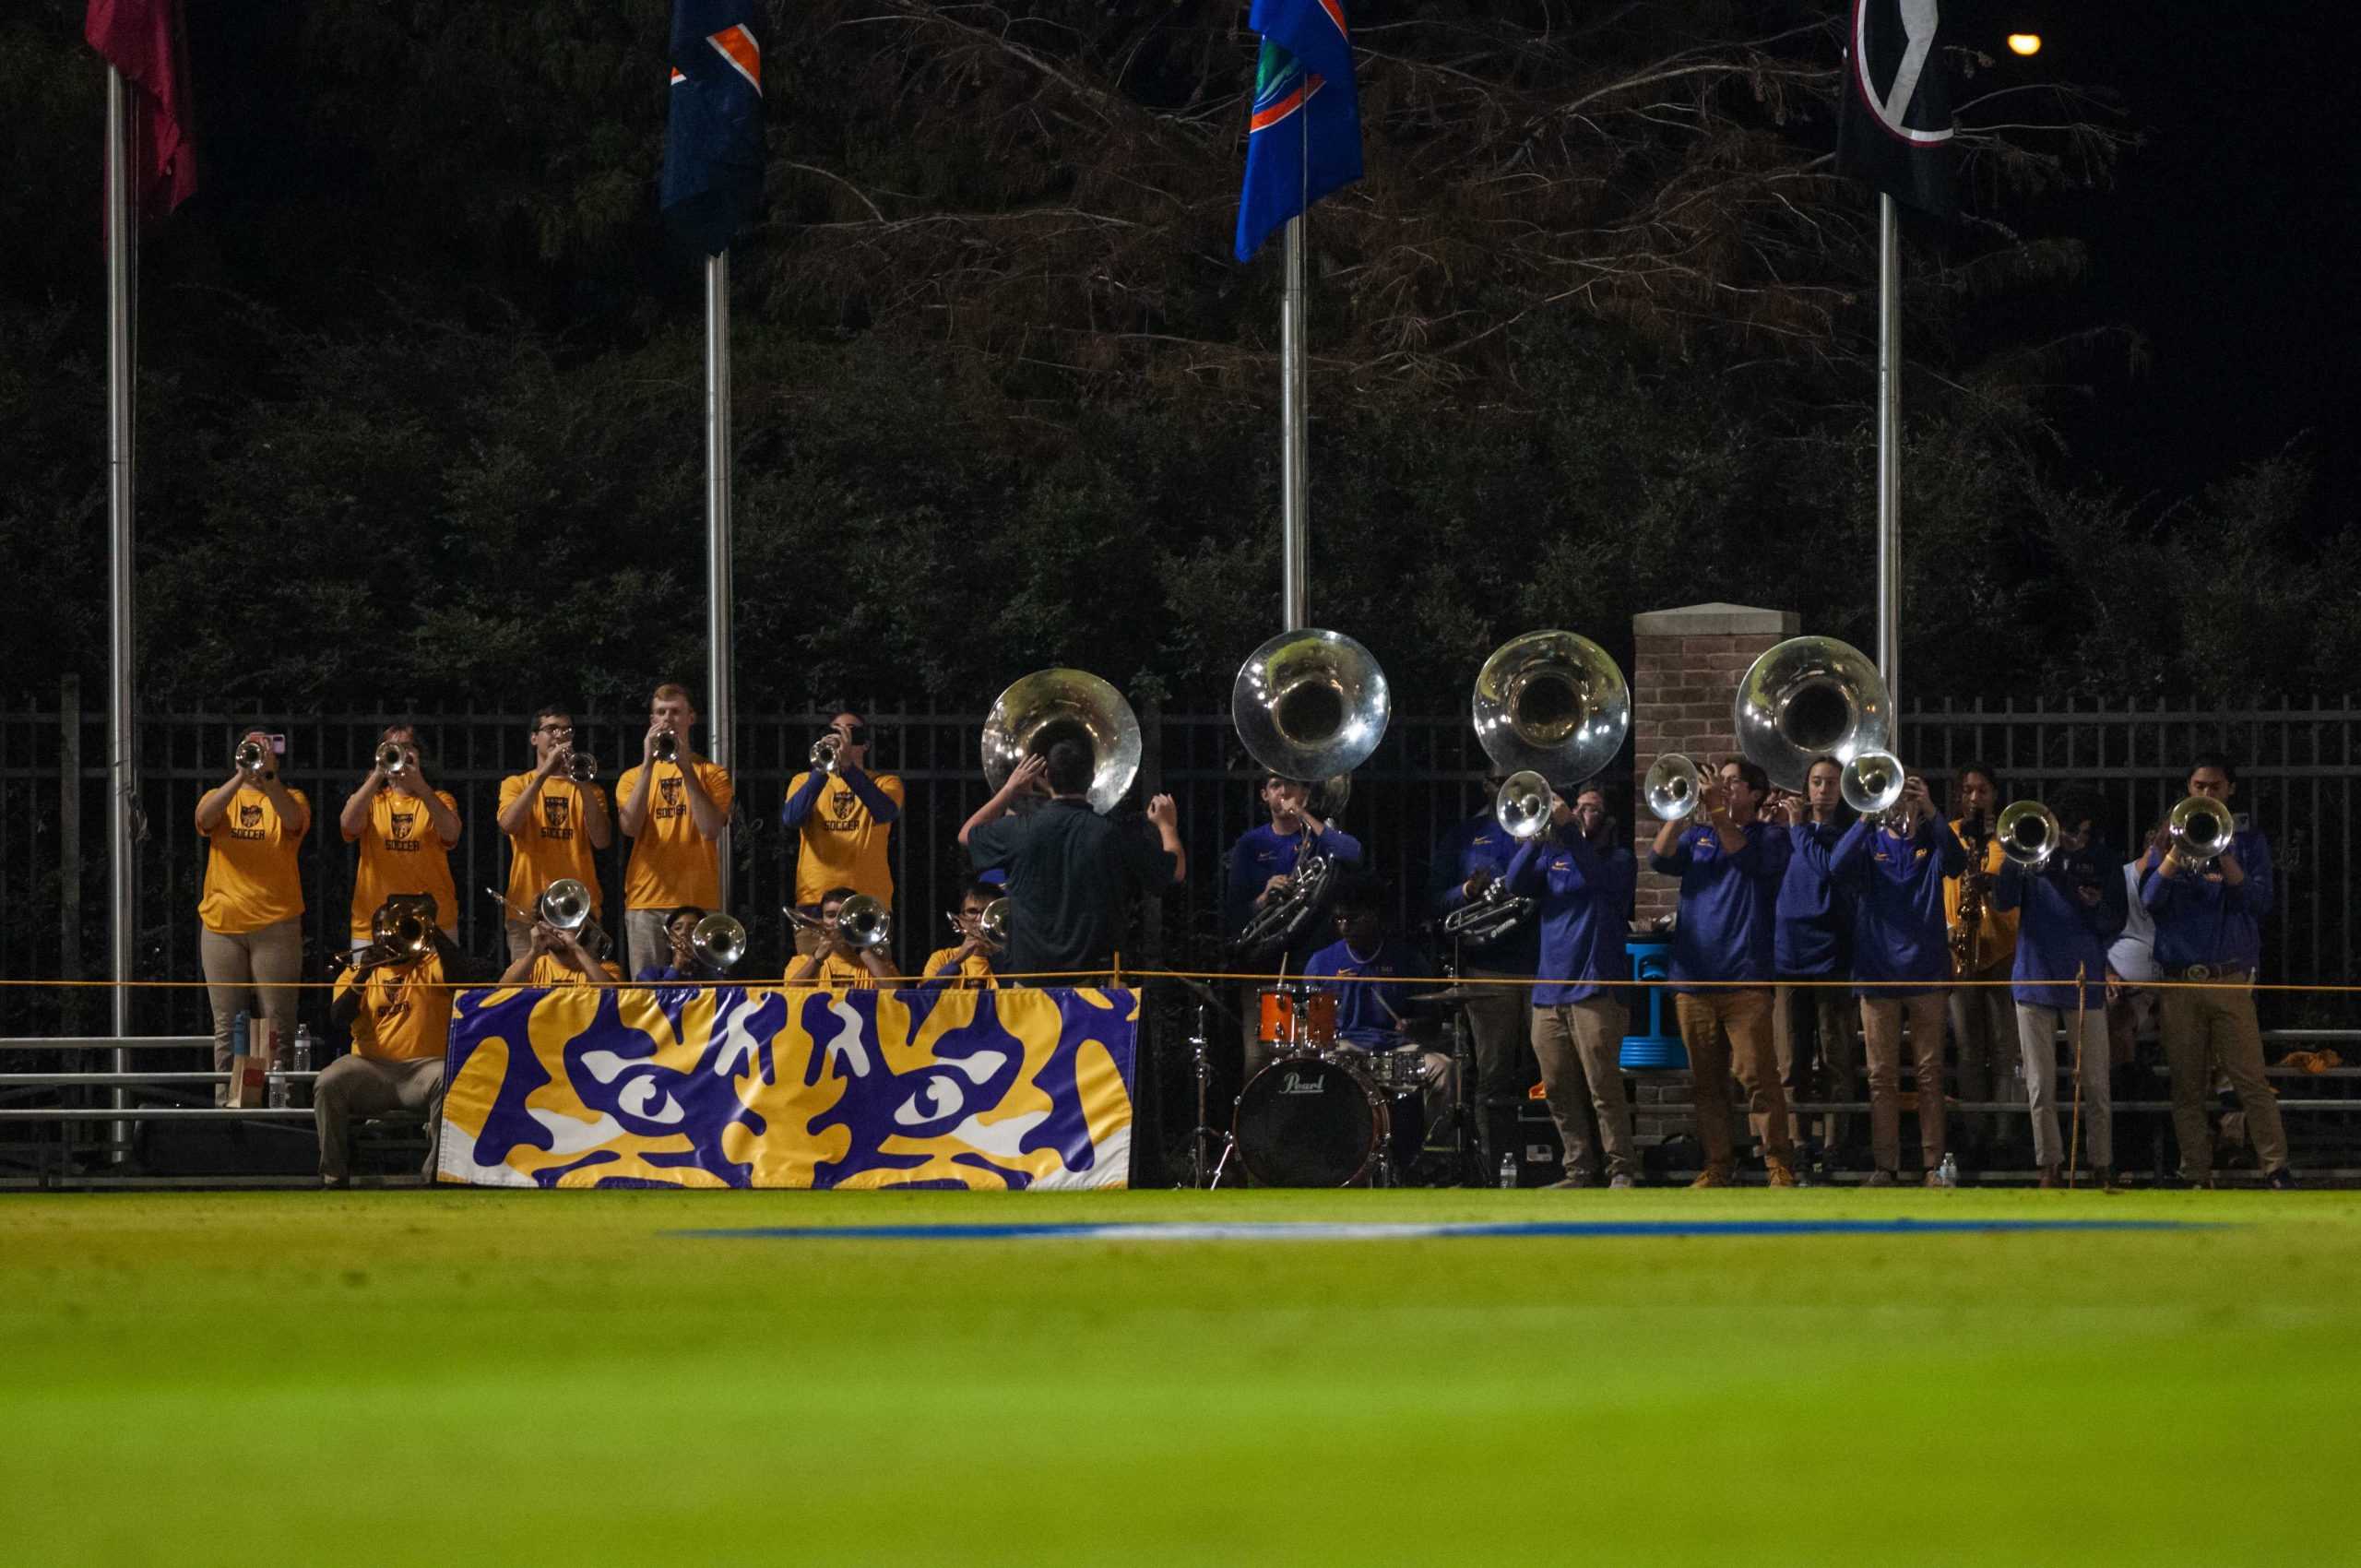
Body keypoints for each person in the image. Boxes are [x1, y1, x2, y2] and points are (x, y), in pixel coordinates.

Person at [2141, 754, 2295, 1189]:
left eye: (2214, 787)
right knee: (2187, 1088)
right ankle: (2197, 1172)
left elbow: (2259, 904)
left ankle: (2276, 1168)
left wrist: (2223, 854)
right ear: (2188, 790)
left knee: (2250, 1080)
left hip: (2228, 979)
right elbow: (2150, 900)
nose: (2206, 794)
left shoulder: (2248, 843)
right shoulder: (2167, 841)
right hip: (2179, 982)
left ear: (2230, 791)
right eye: (2198, 787)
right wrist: (2175, 851)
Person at [1648, 757, 1797, 1188]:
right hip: (1693, 980)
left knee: (1757, 1078)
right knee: (1706, 1082)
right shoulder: (1697, 836)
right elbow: (1658, 860)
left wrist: (1715, 809)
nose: (1724, 788)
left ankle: (1778, 1164)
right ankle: (1718, 1164)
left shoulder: (1771, 836)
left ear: (1756, 795)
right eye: (1721, 783)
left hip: (1744, 979)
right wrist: (1680, 813)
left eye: (1734, 784)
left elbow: (1748, 861)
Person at [1820, 770, 1964, 1186]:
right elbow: (1836, 865)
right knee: (1881, 1075)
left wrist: (1933, 812)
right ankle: (1886, 1166)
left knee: (1929, 1072)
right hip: (1876, 971)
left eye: (1909, 797)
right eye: (1896, 797)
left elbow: (1956, 862)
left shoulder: (1931, 846)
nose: (1902, 805)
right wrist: (1867, 814)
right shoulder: (1871, 846)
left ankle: (1933, 1166)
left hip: (1926, 973)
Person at [1504, 781, 1640, 1189]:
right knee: (1558, 1088)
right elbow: (1515, 883)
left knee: (1603, 1087)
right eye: (1577, 807)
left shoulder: (1619, 860)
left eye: (1592, 809)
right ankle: (1578, 1168)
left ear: (1609, 820)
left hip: (1595, 990)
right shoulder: (1554, 855)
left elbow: (1596, 879)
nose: (1582, 814)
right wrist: (1538, 835)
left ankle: (1621, 1169)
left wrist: (1566, 830)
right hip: (1549, 993)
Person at [960, 743, 1184, 981]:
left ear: (1046, 775)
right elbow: (1175, 871)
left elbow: (966, 835)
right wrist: (1167, 827)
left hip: (1030, 984)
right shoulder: (1109, 834)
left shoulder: (1021, 830)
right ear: (1093, 777)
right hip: (1093, 983)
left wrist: (1009, 789)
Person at [1992, 790, 2125, 1188]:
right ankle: (2047, 1165)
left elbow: (2113, 921)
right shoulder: (2033, 856)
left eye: (2078, 832)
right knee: (2039, 1083)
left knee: (2097, 1082)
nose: (2070, 838)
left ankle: (2101, 1163)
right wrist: (2017, 857)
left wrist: (2090, 903)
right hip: (2034, 978)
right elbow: (2002, 900)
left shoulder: (2103, 861)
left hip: (2085, 979)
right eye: (2064, 829)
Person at [317, 895, 484, 1186]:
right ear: (376, 935)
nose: (396, 935)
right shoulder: (354, 973)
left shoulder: (431, 963)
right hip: (370, 1068)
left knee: (447, 1078)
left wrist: (432, 928)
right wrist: (365, 972)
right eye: (388, 929)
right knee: (328, 1082)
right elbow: (339, 1018)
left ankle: (435, 1174)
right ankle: (334, 1174)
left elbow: (462, 979)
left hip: (423, 1069)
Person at [1430, 778, 1544, 1176]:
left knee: (1548, 1072)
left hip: (1541, 969)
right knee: (1493, 1074)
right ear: (1487, 786)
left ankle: (1547, 1160)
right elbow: (1438, 903)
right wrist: (1466, 890)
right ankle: (1494, 1165)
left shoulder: (1542, 828)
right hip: (1487, 969)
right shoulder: (1466, 836)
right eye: (1502, 781)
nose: (1510, 789)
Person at [195, 729, 312, 1099]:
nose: (257, 756)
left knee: (277, 1022)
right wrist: (240, 776)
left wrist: (268, 776)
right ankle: (228, 1104)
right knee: (227, 1025)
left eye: (264, 751)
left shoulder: (292, 797)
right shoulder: (220, 796)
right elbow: (205, 819)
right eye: (250, 750)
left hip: (275, 923)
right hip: (222, 924)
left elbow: (293, 821)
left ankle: (277, 1103)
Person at [1226, 774, 1364, 1076]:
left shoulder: (1318, 837)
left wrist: (1303, 814)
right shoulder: (1251, 844)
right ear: (1264, 794)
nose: (1284, 792)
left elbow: (1352, 853)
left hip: (1311, 965)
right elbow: (1234, 913)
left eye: (1292, 785)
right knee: (1260, 1061)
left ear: (1305, 792)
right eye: (1276, 786)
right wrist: (1264, 899)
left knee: (1313, 1057)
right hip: (1264, 968)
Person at [1300, 877, 1453, 1133]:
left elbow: (1432, 1024)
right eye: (1339, 920)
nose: (1345, 927)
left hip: (1395, 1053)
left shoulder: (1408, 961)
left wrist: (1414, 1026)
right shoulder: (1321, 962)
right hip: (1345, 1053)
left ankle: (1431, 1152)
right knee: (1325, 1061)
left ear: (1375, 917)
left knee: (1444, 1070)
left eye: (1353, 919)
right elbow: (1312, 1028)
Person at [1771, 756, 1860, 1165]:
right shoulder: (1790, 833)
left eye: (1830, 783)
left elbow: (1828, 869)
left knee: (1835, 1059)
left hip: (1832, 959)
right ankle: (1796, 1144)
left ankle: (1835, 1146)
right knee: (1791, 1060)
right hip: (1789, 958)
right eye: (1816, 782)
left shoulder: (1843, 835)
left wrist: (1797, 829)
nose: (1822, 790)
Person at [615, 683, 734, 978]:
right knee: (647, 998)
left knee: (707, 995)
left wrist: (685, 768)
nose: (668, 719)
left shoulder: (713, 774)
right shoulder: (632, 777)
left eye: (676, 712)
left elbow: (710, 829)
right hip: (647, 900)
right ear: (652, 720)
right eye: (661, 713)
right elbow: (629, 827)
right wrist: (647, 765)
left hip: (698, 899)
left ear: (691, 718)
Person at [492, 705, 612, 964]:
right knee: (528, 997)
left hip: (579, 911)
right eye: (551, 729)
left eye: (566, 730)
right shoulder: (516, 784)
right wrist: (543, 774)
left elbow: (602, 840)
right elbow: (509, 825)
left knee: (580, 997)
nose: (559, 735)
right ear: (534, 738)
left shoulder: (590, 790)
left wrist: (581, 784)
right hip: (528, 911)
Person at [780, 711, 905, 956]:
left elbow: (885, 812)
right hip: (815, 899)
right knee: (813, 976)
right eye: (836, 731)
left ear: (865, 744)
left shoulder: (885, 782)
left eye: (851, 732)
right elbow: (791, 818)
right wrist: (823, 769)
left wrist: (847, 768)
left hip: (868, 898)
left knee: (871, 982)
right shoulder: (803, 780)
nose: (841, 737)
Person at [1944, 762, 2020, 1160]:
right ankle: (1974, 1134)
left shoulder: (2008, 838)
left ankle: (2006, 1135)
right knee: (1970, 1049)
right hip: (1962, 949)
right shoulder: (1952, 835)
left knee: (2006, 1048)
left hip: (2004, 948)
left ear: (1995, 795)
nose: (1975, 798)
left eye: (1983, 790)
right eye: (1968, 790)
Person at [339, 721, 461, 950]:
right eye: (390, 747)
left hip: (433, 920)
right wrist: (377, 775)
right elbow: (348, 826)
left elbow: (451, 834)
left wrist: (420, 785)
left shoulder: (440, 799)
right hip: (374, 920)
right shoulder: (372, 800)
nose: (400, 752)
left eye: (406, 746)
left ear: (419, 754)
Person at [784, 885, 898, 989]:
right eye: (831, 915)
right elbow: (788, 999)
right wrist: (817, 959)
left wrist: (860, 948)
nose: (838, 922)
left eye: (844, 915)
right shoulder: (801, 961)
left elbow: (898, 997)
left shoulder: (879, 963)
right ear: (822, 921)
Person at [497, 906, 622, 988]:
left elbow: (614, 995)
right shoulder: (533, 967)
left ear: (583, 929)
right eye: (552, 921)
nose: (557, 928)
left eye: (566, 923)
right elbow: (501, 993)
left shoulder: (607, 968)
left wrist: (576, 948)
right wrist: (534, 952)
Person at [918, 879, 1003, 990]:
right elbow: (923, 1000)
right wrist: (957, 960)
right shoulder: (942, 958)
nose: (981, 919)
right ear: (961, 920)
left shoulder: (1014, 959)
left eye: (988, 911)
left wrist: (996, 955)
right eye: (972, 911)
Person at [635, 905, 722, 984]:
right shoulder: (649, 975)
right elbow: (656, 999)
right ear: (669, 940)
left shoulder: (716, 975)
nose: (684, 933)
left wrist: (700, 964)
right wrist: (676, 968)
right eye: (677, 928)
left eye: (693, 928)